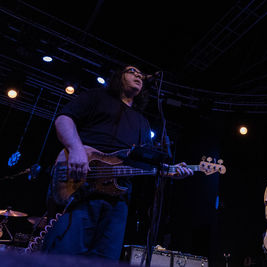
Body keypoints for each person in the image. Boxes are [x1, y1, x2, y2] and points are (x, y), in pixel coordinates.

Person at [41, 64, 193, 261]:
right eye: (132, 71)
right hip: (80, 186)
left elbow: (142, 163)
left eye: (141, 75)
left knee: (106, 259)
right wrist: (76, 149)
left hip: (118, 200)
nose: (139, 76)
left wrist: (169, 171)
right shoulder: (97, 97)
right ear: (118, 76)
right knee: (64, 257)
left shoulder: (142, 122)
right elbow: (63, 119)